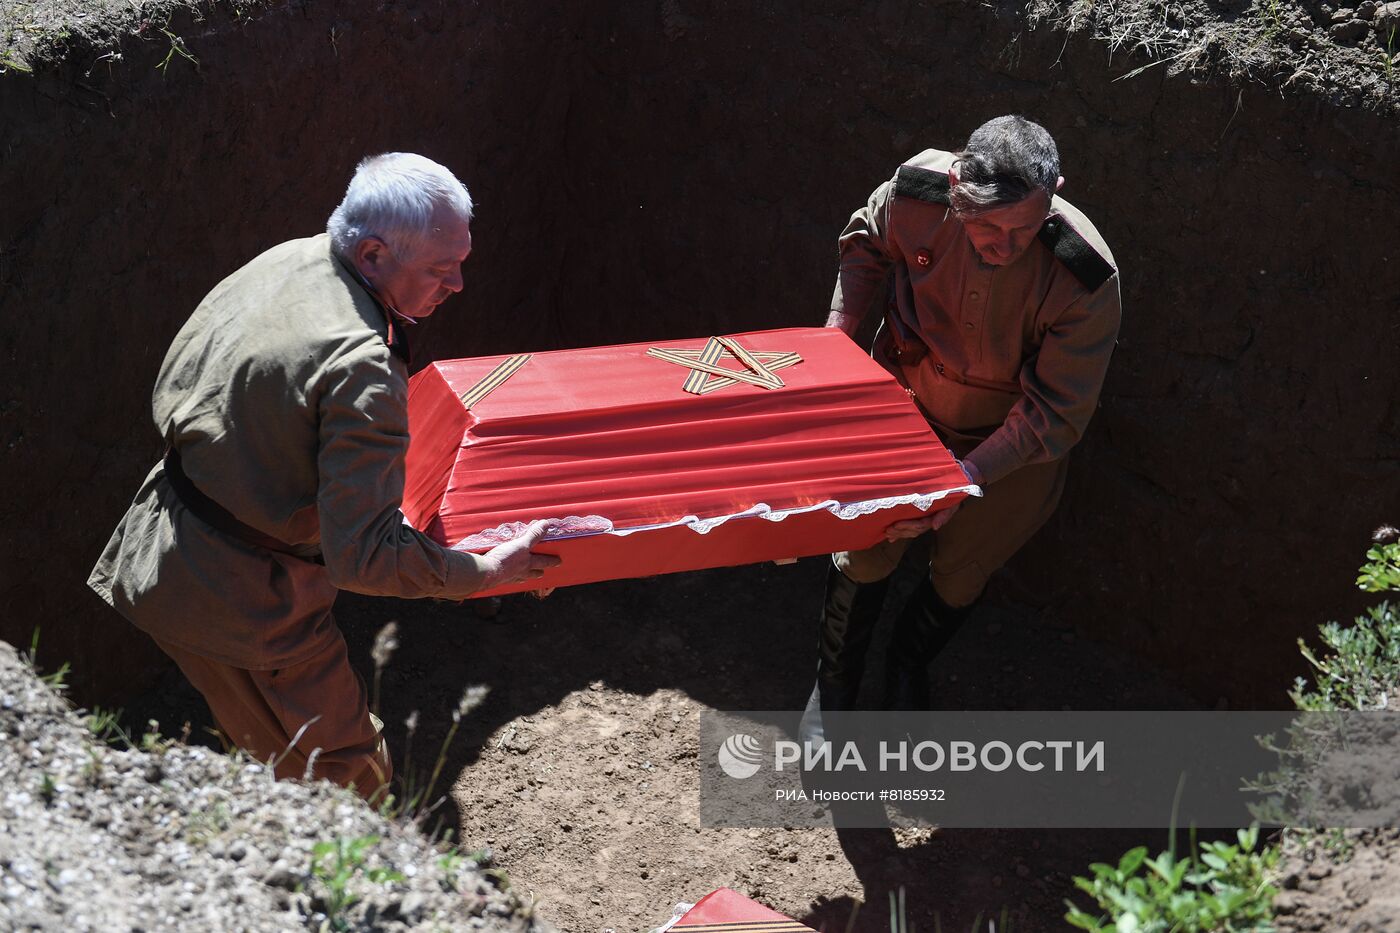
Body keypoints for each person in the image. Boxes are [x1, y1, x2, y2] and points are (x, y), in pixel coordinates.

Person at [88, 153, 559, 799]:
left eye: (461, 262)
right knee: (344, 775)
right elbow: (360, 558)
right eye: (439, 268)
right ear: (371, 254)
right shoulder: (363, 364)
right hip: (245, 600)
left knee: (269, 744)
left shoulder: (291, 259)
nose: (457, 285)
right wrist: (480, 573)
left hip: (165, 531)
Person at [811, 116, 1121, 715]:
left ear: (1056, 189)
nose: (1000, 247)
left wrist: (965, 478)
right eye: (984, 224)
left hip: (1011, 444)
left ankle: (908, 665)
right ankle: (833, 692)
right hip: (905, 405)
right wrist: (837, 345)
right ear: (956, 185)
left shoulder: (1084, 275)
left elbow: (1055, 411)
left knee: (962, 571)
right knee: (864, 547)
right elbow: (865, 244)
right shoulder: (915, 192)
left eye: (1022, 229)